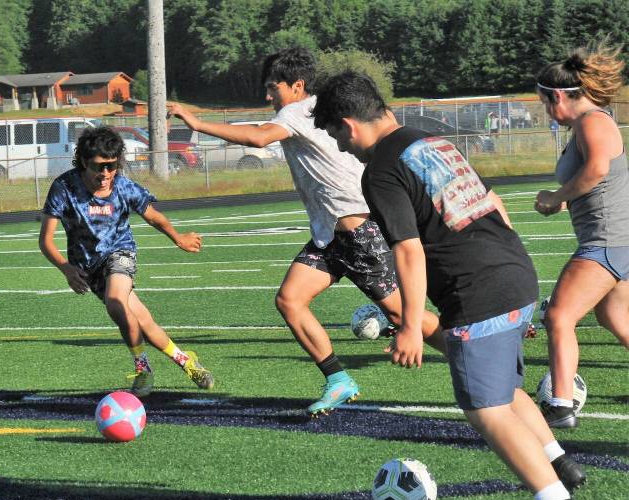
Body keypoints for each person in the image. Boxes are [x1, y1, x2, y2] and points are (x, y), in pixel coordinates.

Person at [312, 71, 587, 500]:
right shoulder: (429, 140)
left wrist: (407, 328)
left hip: (476, 287)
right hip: (513, 270)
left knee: (483, 404)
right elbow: (492, 201)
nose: (340, 147)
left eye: (336, 136)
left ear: (348, 124)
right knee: (503, 389)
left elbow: (407, 249)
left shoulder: (379, 170)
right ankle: (559, 463)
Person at [167, 46, 445, 416]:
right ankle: (338, 380)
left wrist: (198, 124)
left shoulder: (297, 111)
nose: (268, 96)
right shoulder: (314, 110)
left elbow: (259, 138)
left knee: (403, 317)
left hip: (356, 231)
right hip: (331, 234)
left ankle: (473, 355)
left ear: (297, 85)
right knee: (290, 300)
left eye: (273, 87)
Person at [39, 126, 213, 397]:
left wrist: (177, 237)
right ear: (84, 161)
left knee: (116, 303)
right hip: (88, 267)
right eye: (99, 166)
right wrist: (66, 268)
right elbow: (46, 240)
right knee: (143, 321)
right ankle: (186, 360)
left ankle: (142, 370)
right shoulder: (64, 187)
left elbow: (153, 215)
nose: (106, 174)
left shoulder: (123, 186)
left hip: (121, 254)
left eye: (111, 166)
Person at [534, 41, 629, 428]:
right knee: (614, 317)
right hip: (615, 240)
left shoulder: (593, 121)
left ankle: (560, 404)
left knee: (558, 316)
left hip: (606, 240)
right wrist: (562, 201)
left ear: (559, 95)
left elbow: (597, 171)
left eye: (544, 103)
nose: (546, 112)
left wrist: (558, 194)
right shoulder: (589, 123)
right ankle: (560, 400)